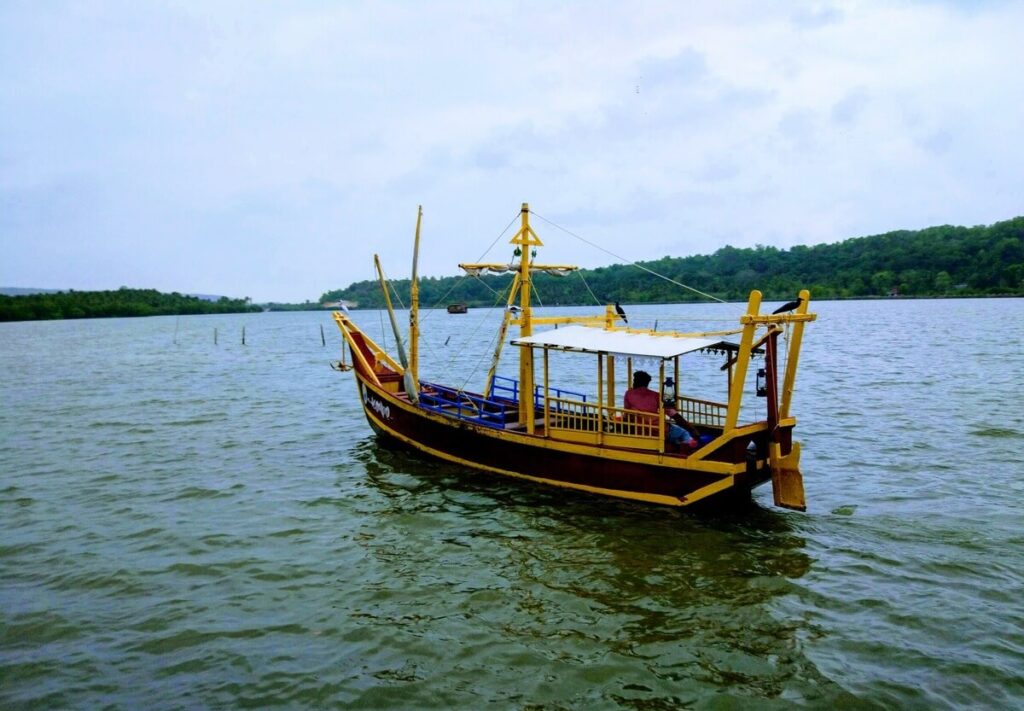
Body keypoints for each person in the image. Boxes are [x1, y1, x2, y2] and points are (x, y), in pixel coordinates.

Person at [623, 371, 696, 449]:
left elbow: (627, 413)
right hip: (658, 429)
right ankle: (687, 443)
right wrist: (692, 430)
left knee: (673, 434)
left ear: (636, 381)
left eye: (634, 380)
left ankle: (677, 445)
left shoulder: (628, 394)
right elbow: (673, 414)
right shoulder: (655, 396)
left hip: (639, 428)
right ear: (647, 383)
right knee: (684, 433)